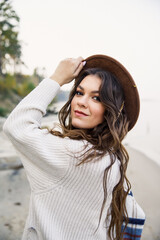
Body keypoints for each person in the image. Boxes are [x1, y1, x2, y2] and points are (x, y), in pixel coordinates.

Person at [3, 54, 142, 240]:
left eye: (97, 98)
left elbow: (16, 126)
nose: (82, 102)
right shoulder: (110, 156)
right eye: (79, 92)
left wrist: (57, 78)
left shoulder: (75, 154)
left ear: (111, 110)